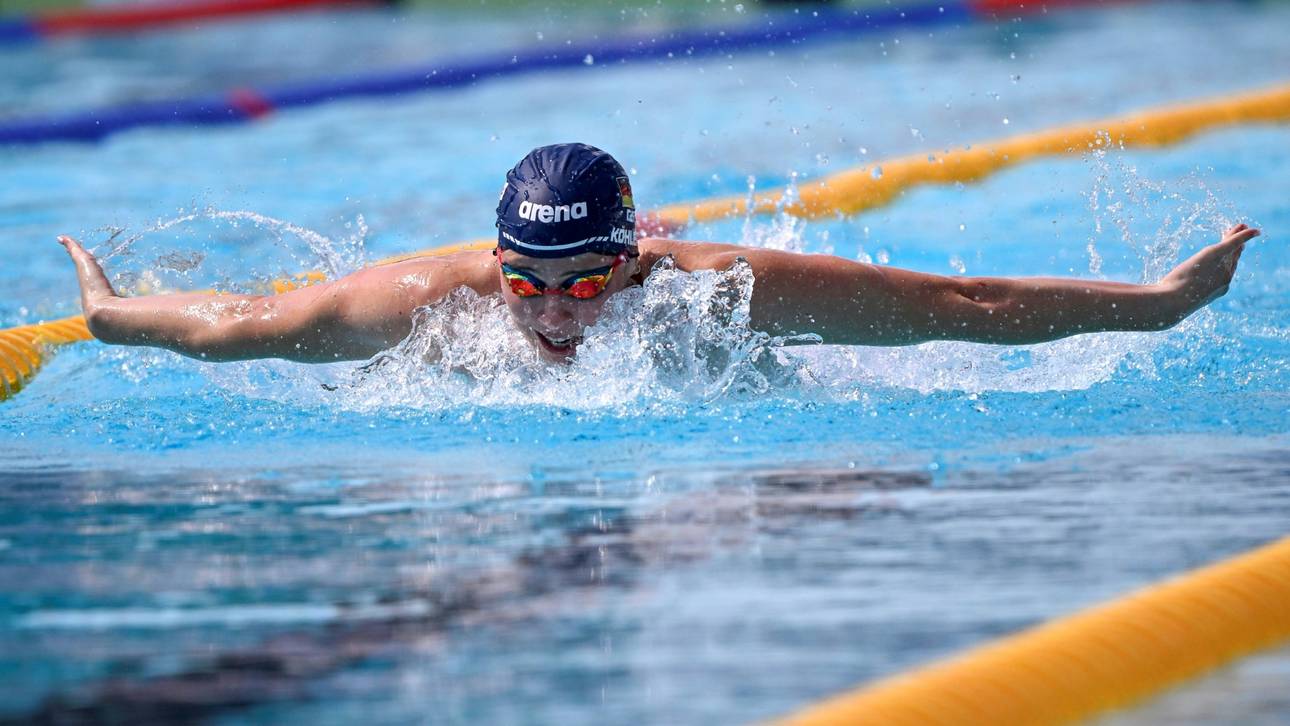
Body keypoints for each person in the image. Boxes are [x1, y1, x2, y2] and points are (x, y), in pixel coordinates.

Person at [59, 143, 1260, 365]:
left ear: (629, 267)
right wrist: (111, 314)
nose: (556, 315)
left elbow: (960, 301)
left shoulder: (716, 298)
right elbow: (234, 326)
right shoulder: (420, 309)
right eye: (530, 284)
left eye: (587, 284)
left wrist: (1156, 305)